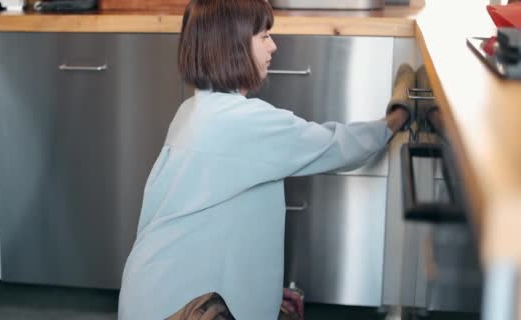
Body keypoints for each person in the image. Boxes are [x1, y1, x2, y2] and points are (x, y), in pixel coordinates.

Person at [117, 0, 409, 319]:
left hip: (151, 292)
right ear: (234, 45)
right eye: (263, 35)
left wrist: (263, 292)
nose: (274, 45)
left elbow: (210, 223)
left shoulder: (191, 111)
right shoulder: (245, 122)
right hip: (189, 308)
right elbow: (340, 146)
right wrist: (396, 117)